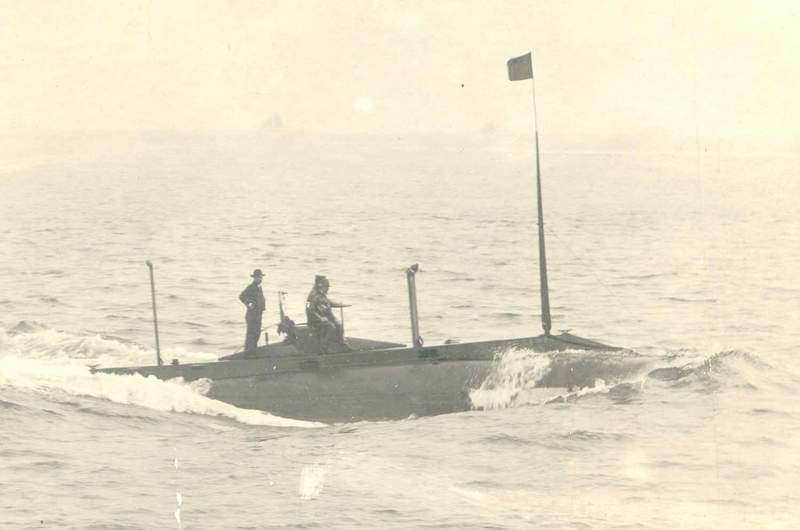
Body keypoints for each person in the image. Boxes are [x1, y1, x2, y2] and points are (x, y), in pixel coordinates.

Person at [305, 275, 347, 352]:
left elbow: (329, 303)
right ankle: (323, 347)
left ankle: (341, 343)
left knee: (338, 325)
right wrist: (320, 318)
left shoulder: (322, 295)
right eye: (326, 286)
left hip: (323, 319)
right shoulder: (313, 296)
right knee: (330, 326)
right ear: (320, 286)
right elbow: (310, 310)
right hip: (315, 321)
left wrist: (341, 305)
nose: (327, 289)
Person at [239, 269, 266, 355]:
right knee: (251, 334)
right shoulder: (251, 287)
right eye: (258, 277)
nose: (260, 279)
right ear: (254, 278)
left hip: (258, 315)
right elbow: (241, 296)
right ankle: (248, 353)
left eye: (261, 277)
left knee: (256, 334)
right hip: (252, 315)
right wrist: (249, 304)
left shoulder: (259, 287)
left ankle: (253, 351)